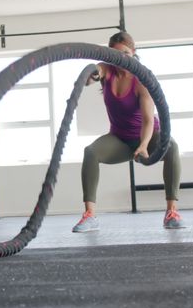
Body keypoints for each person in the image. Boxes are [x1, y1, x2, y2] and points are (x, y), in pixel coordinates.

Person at [73, 32, 182, 232]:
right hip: (120, 139)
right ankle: (90, 215)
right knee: (91, 152)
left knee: (172, 146)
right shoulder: (107, 70)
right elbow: (93, 76)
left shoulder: (141, 80)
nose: (120, 57)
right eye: (115, 53)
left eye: (124, 53)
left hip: (148, 136)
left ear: (133, 52)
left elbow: (149, 120)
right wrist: (92, 74)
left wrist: (143, 145)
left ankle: (171, 212)